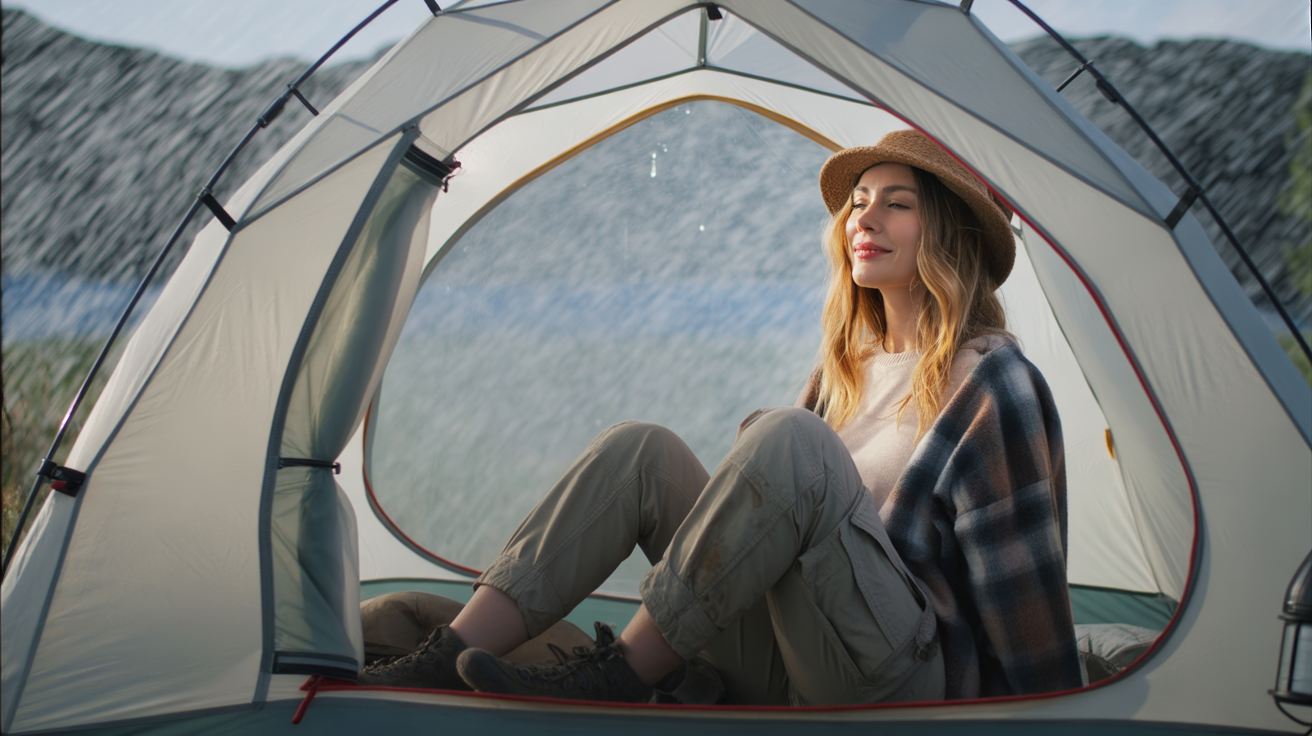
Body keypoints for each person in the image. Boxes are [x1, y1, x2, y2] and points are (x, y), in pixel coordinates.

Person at [358, 129, 1084, 704]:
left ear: (948, 229)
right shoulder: (841, 375)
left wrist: (1057, 714)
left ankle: (621, 675)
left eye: (897, 201)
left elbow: (1023, 593)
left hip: (903, 684)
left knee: (788, 438)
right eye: (859, 200)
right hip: (798, 659)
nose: (865, 216)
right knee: (641, 451)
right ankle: (444, 657)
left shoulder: (993, 382)